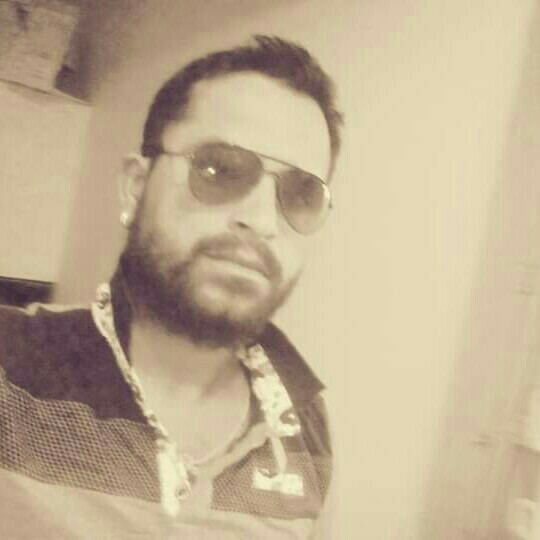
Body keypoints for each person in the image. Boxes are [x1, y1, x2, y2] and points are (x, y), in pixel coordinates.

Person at [0, 35, 343, 539]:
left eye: (301, 194)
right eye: (218, 168)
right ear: (135, 188)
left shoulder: (308, 429)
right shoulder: (11, 371)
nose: (262, 220)